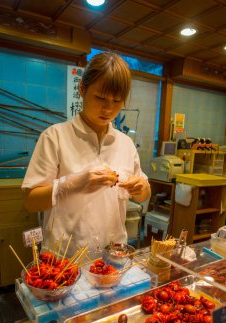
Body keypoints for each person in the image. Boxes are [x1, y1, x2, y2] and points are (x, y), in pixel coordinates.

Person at [22, 52, 151, 256]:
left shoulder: (125, 144)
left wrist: (141, 187)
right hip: (65, 258)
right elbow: (31, 201)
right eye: (100, 97)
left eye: (117, 101)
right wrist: (71, 183)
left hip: (112, 256)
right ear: (82, 89)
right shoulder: (55, 137)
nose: (108, 108)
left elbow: (144, 194)